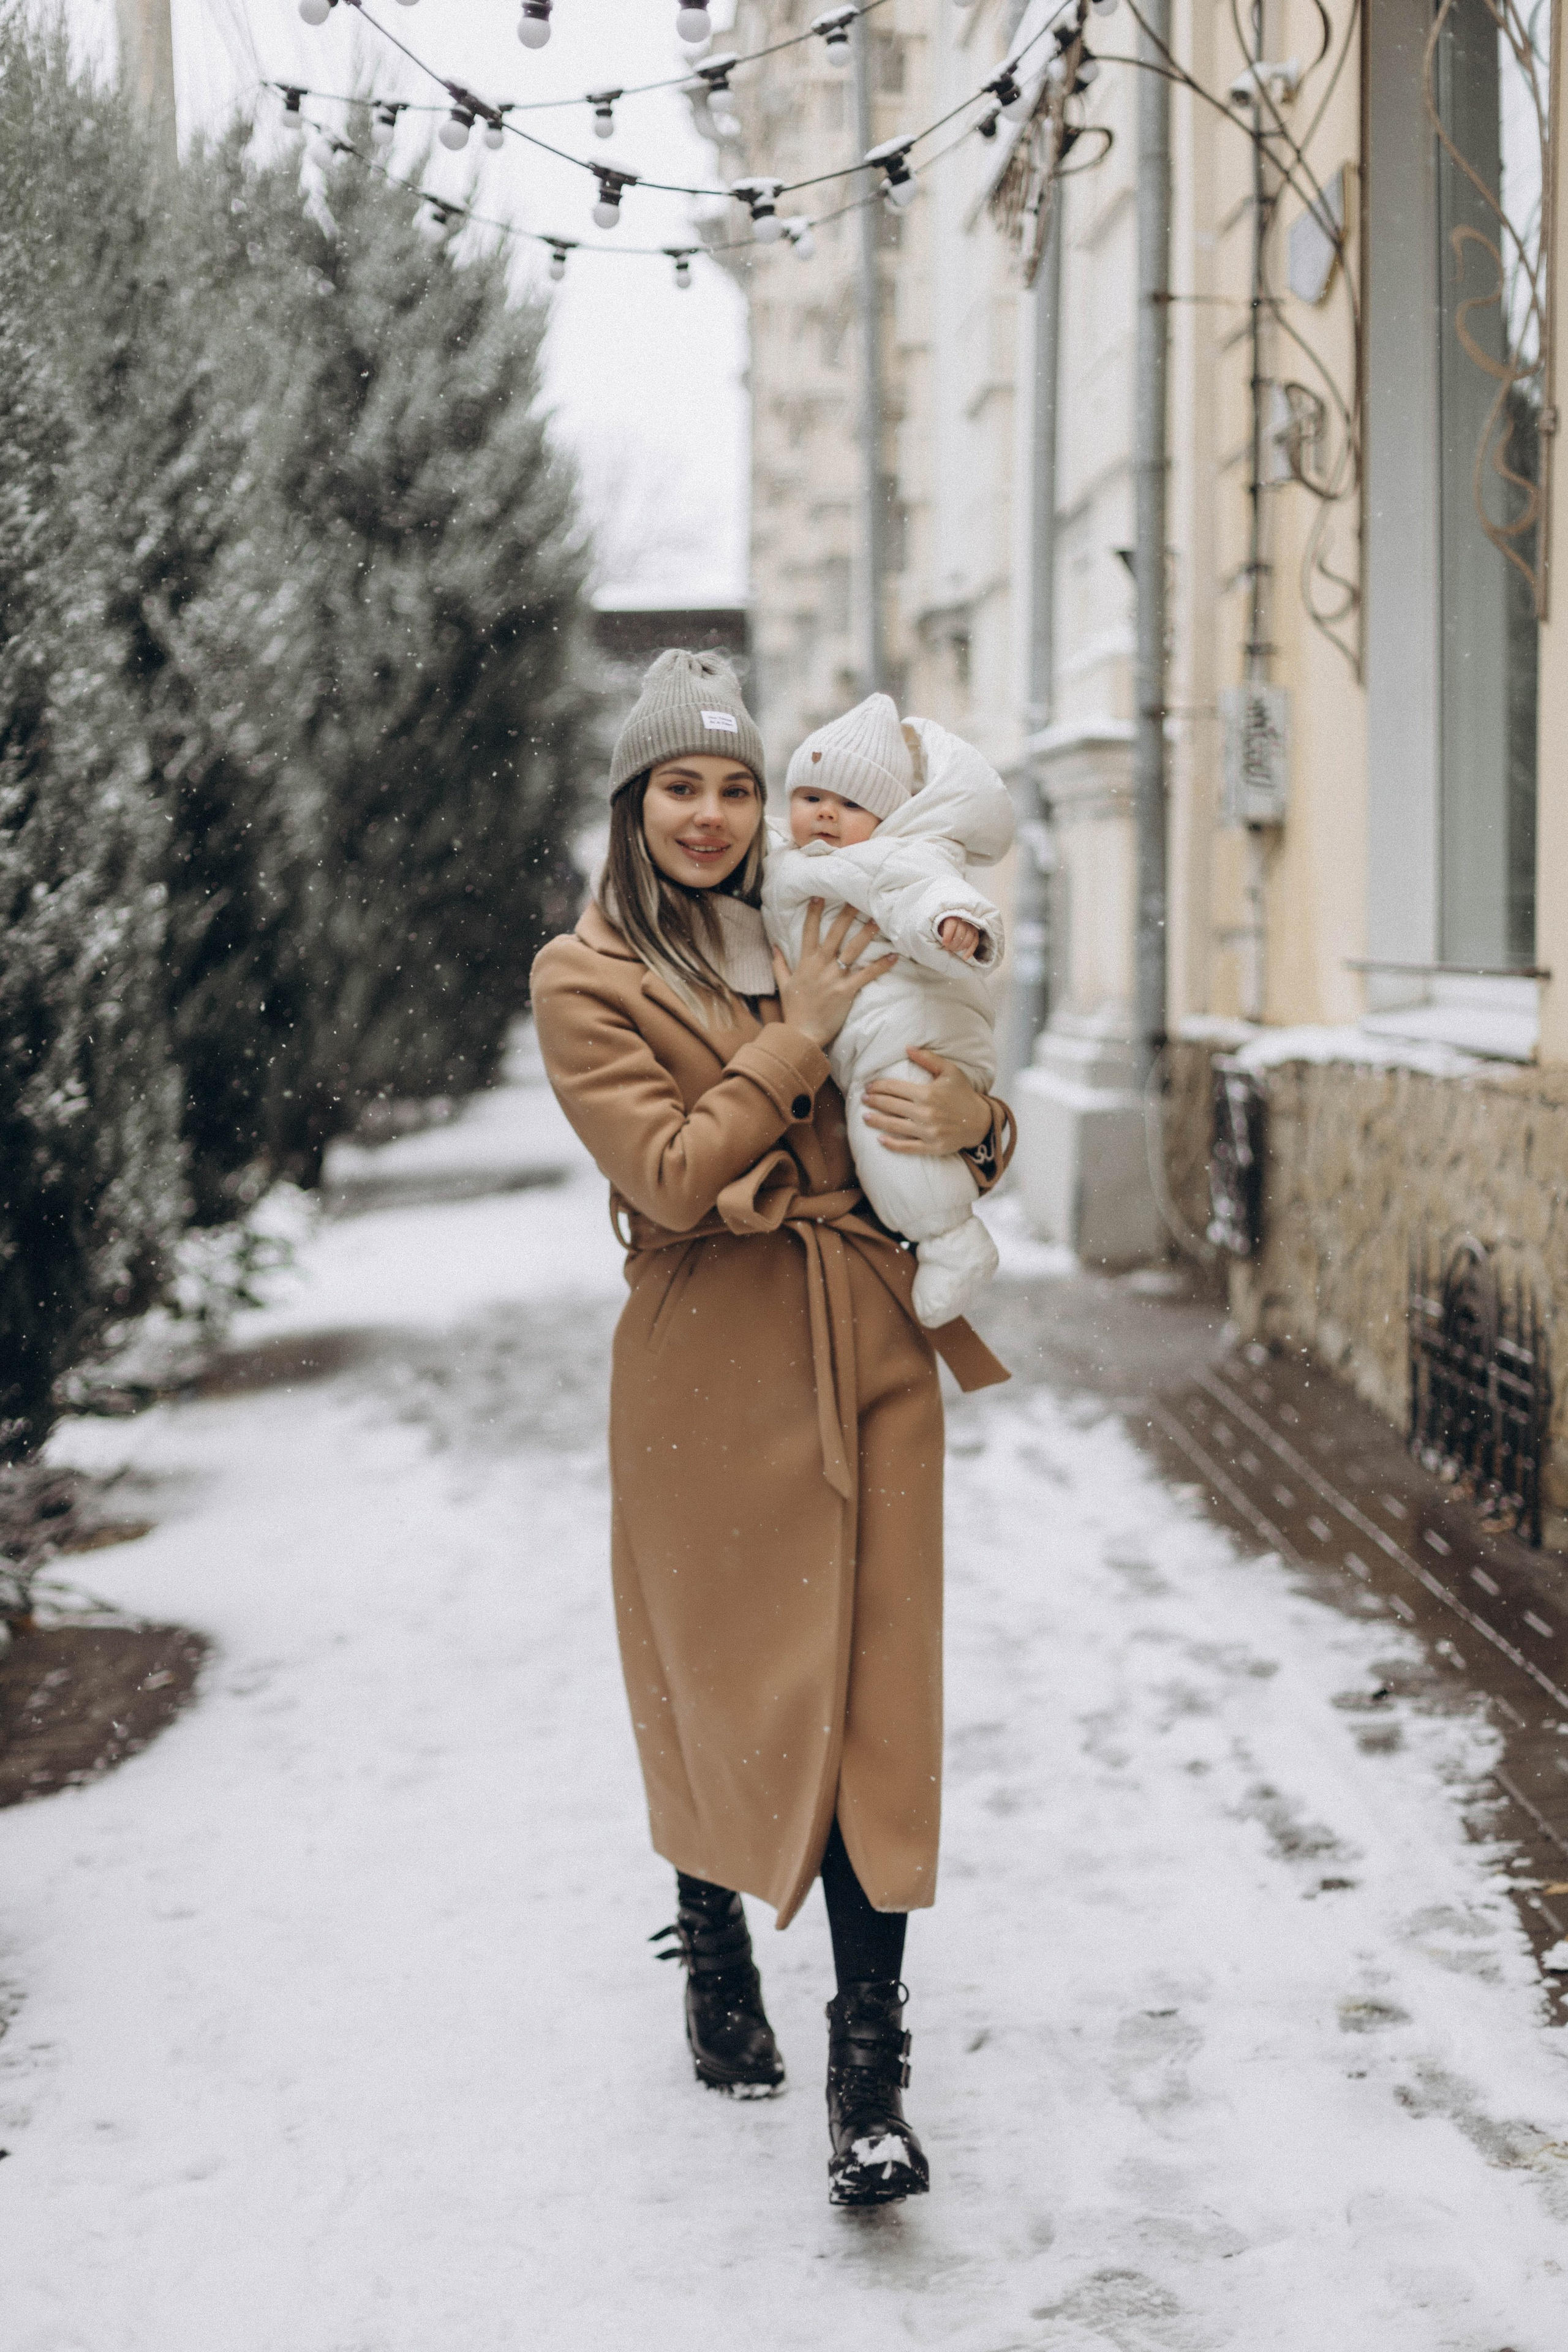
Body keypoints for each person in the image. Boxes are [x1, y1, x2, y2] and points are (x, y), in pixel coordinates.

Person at [529, 649, 1014, 2209]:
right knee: (716, 1675)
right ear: (633, 801)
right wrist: (793, 1034)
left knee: (876, 1695)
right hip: (702, 1360)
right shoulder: (584, 976)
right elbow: (672, 1172)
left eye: (735, 786)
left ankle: (869, 2079)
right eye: (679, 784)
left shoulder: (823, 909)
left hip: (863, 1338)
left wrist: (977, 1129)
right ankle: (711, 1927)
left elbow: (931, 1056)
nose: (711, 813)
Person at [763, 692, 1015, 1329]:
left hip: (911, 1032)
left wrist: (952, 924)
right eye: (811, 796)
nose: (826, 813)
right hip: (871, 1034)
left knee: (890, 1130)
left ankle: (952, 1242)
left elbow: (925, 891)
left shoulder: (888, 857)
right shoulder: (785, 860)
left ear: (887, 818)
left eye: (851, 804)